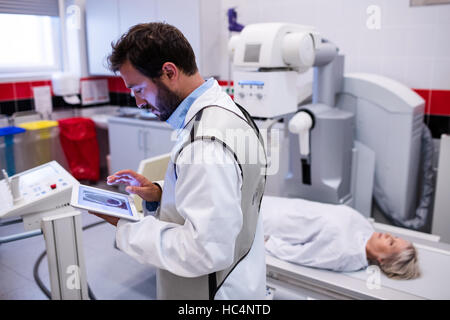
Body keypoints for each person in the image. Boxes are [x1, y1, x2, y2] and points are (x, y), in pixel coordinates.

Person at [92, 22, 267, 299]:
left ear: (169, 72)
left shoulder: (205, 144)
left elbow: (203, 251)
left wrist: (126, 225)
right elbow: (230, 193)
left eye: (138, 89)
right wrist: (162, 193)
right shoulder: (230, 111)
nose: (138, 102)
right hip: (242, 277)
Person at [261, 196, 420, 280]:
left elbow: (303, 256)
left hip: (270, 224)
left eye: (391, 242)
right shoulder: (366, 229)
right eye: (395, 236)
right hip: (281, 205)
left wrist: (269, 244)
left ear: (382, 260)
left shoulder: (345, 255)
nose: (388, 235)